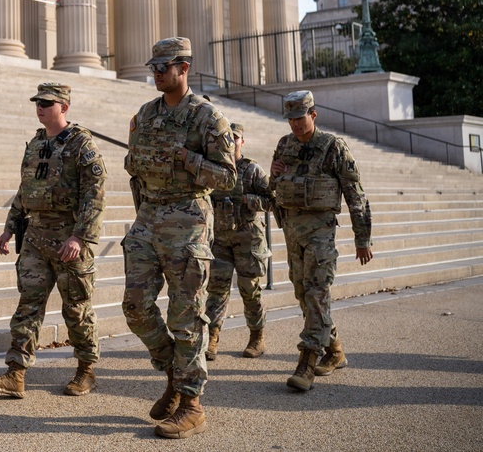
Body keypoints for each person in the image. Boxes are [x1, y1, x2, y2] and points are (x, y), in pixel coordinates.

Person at [122, 37, 237, 439]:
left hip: (187, 220)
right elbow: (133, 162)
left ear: (183, 68)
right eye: (152, 67)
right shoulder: (145, 114)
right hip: (148, 216)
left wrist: (188, 159)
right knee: (134, 306)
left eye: (163, 67)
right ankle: (173, 369)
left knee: (186, 315)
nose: (155, 74)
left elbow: (227, 177)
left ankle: (191, 403)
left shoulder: (208, 118)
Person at [0, 83, 107, 399]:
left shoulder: (81, 145)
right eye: (38, 102)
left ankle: (86, 370)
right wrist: (10, 229)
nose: (40, 107)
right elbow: (25, 189)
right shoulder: (36, 144)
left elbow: (95, 192)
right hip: (35, 236)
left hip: (68, 239)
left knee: (76, 309)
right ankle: (15, 373)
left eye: (47, 103)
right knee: (28, 305)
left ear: (64, 107)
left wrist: (80, 235)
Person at [270, 90, 373, 392]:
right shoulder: (284, 145)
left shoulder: (333, 148)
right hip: (292, 235)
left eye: (299, 118)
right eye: (290, 119)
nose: (295, 125)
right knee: (305, 296)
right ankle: (335, 350)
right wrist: (273, 176)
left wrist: (362, 238)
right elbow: (273, 190)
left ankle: (307, 363)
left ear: (313, 115)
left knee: (316, 293)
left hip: (320, 234)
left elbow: (356, 194)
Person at [204, 122, 274, 361]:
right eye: (227, 138)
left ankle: (257, 336)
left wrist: (248, 200)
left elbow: (272, 200)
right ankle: (212, 337)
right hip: (221, 240)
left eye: (235, 138)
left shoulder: (252, 169)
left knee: (250, 290)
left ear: (242, 141)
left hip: (247, 238)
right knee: (216, 290)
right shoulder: (214, 169)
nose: (231, 142)